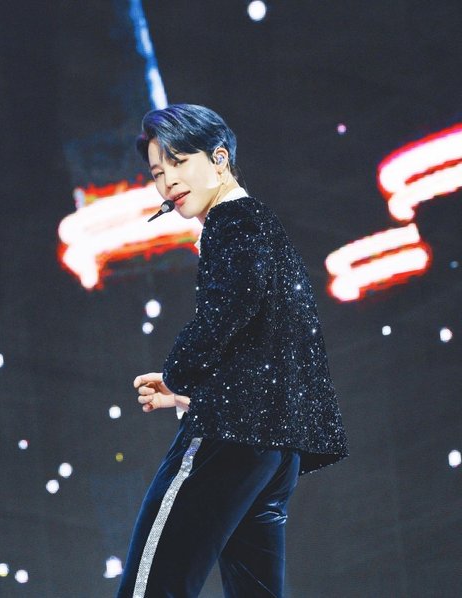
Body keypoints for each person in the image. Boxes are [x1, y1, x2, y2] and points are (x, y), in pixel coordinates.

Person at [116, 104, 349, 598]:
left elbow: (228, 309)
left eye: (178, 162)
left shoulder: (233, 221)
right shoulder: (262, 226)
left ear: (219, 158)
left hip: (229, 438)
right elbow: (271, 349)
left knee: (151, 588)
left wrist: (178, 373)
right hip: (272, 451)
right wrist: (185, 395)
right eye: (157, 172)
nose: (167, 181)